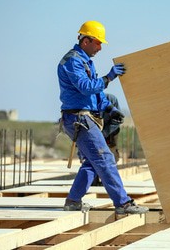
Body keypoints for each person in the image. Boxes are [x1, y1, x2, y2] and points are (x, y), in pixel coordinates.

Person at [57, 20, 148, 214]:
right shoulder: (73, 61)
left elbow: (95, 94)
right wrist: (108, 78)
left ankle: (73, 201)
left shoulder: (85, 61)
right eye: (98, 43)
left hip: (84, 117)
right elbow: (85, 87)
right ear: (86, 41)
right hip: (79, 119)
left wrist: (108, 108)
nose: (100, 48)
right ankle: (123, 204)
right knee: (105, 158)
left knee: (92, 162)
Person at [91, 93, 122, 186]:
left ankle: (110, 182)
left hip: (111, 131)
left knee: (110, 156)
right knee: (92, 155)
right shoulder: (87, 101)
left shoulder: (112, 99)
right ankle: (94, 180)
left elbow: (118, 120)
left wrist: (104, 133)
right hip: (93, 131)